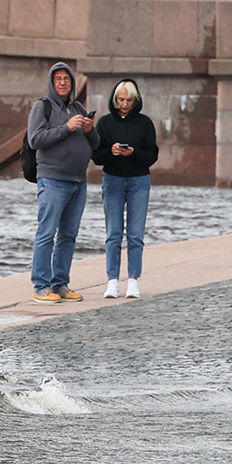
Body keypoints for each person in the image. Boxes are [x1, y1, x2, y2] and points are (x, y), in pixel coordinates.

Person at [26, 61, 94, 304]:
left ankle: (60, 284)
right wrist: (66, 127)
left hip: (78, 181)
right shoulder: (42, 107)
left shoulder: (78, 107)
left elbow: (95, 144)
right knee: (47, 233)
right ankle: (41, 286)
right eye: (58, 79)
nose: (63, 83)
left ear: (72, 83)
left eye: (66, 79)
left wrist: (90, 130)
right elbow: (35, 139)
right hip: (53, 180)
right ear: (52, 83)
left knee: (68, 236)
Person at [91, 78, 158, 299]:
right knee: (113, 232)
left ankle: (133, 280)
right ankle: (112, 280)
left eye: (129, 100)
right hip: (113, 179)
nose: (124, 104)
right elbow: (96, 156)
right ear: (114, 99)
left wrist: (133, 153)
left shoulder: (145, 123)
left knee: (136, 234)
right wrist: (111, 151)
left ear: (135, 100)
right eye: (120, 100)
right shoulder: (104, 123)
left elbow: (152, 155)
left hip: (139, 180)